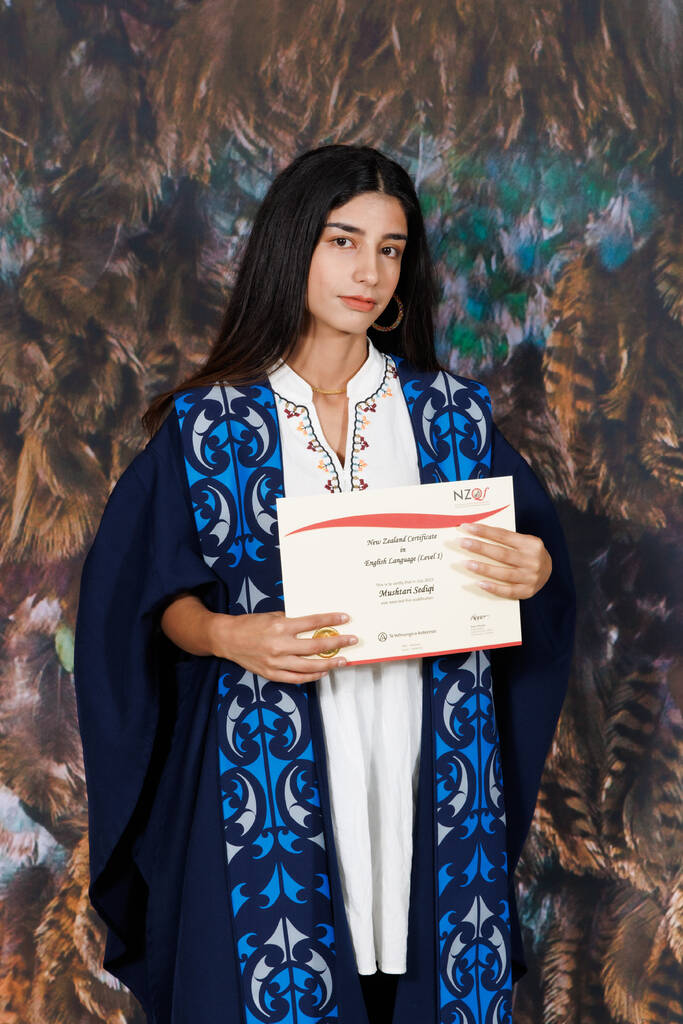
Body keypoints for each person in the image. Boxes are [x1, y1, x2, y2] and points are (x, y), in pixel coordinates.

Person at [74, 144, 576, 1024]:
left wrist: (533, 568)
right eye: (344, 241)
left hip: (427, 760)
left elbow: (533, 568)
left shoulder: (448, 417)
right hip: (268, 768)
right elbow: (144, 605)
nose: (368, 271)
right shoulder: (210, 423)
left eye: (390, 249)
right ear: (292, 244)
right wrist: (230, 636)